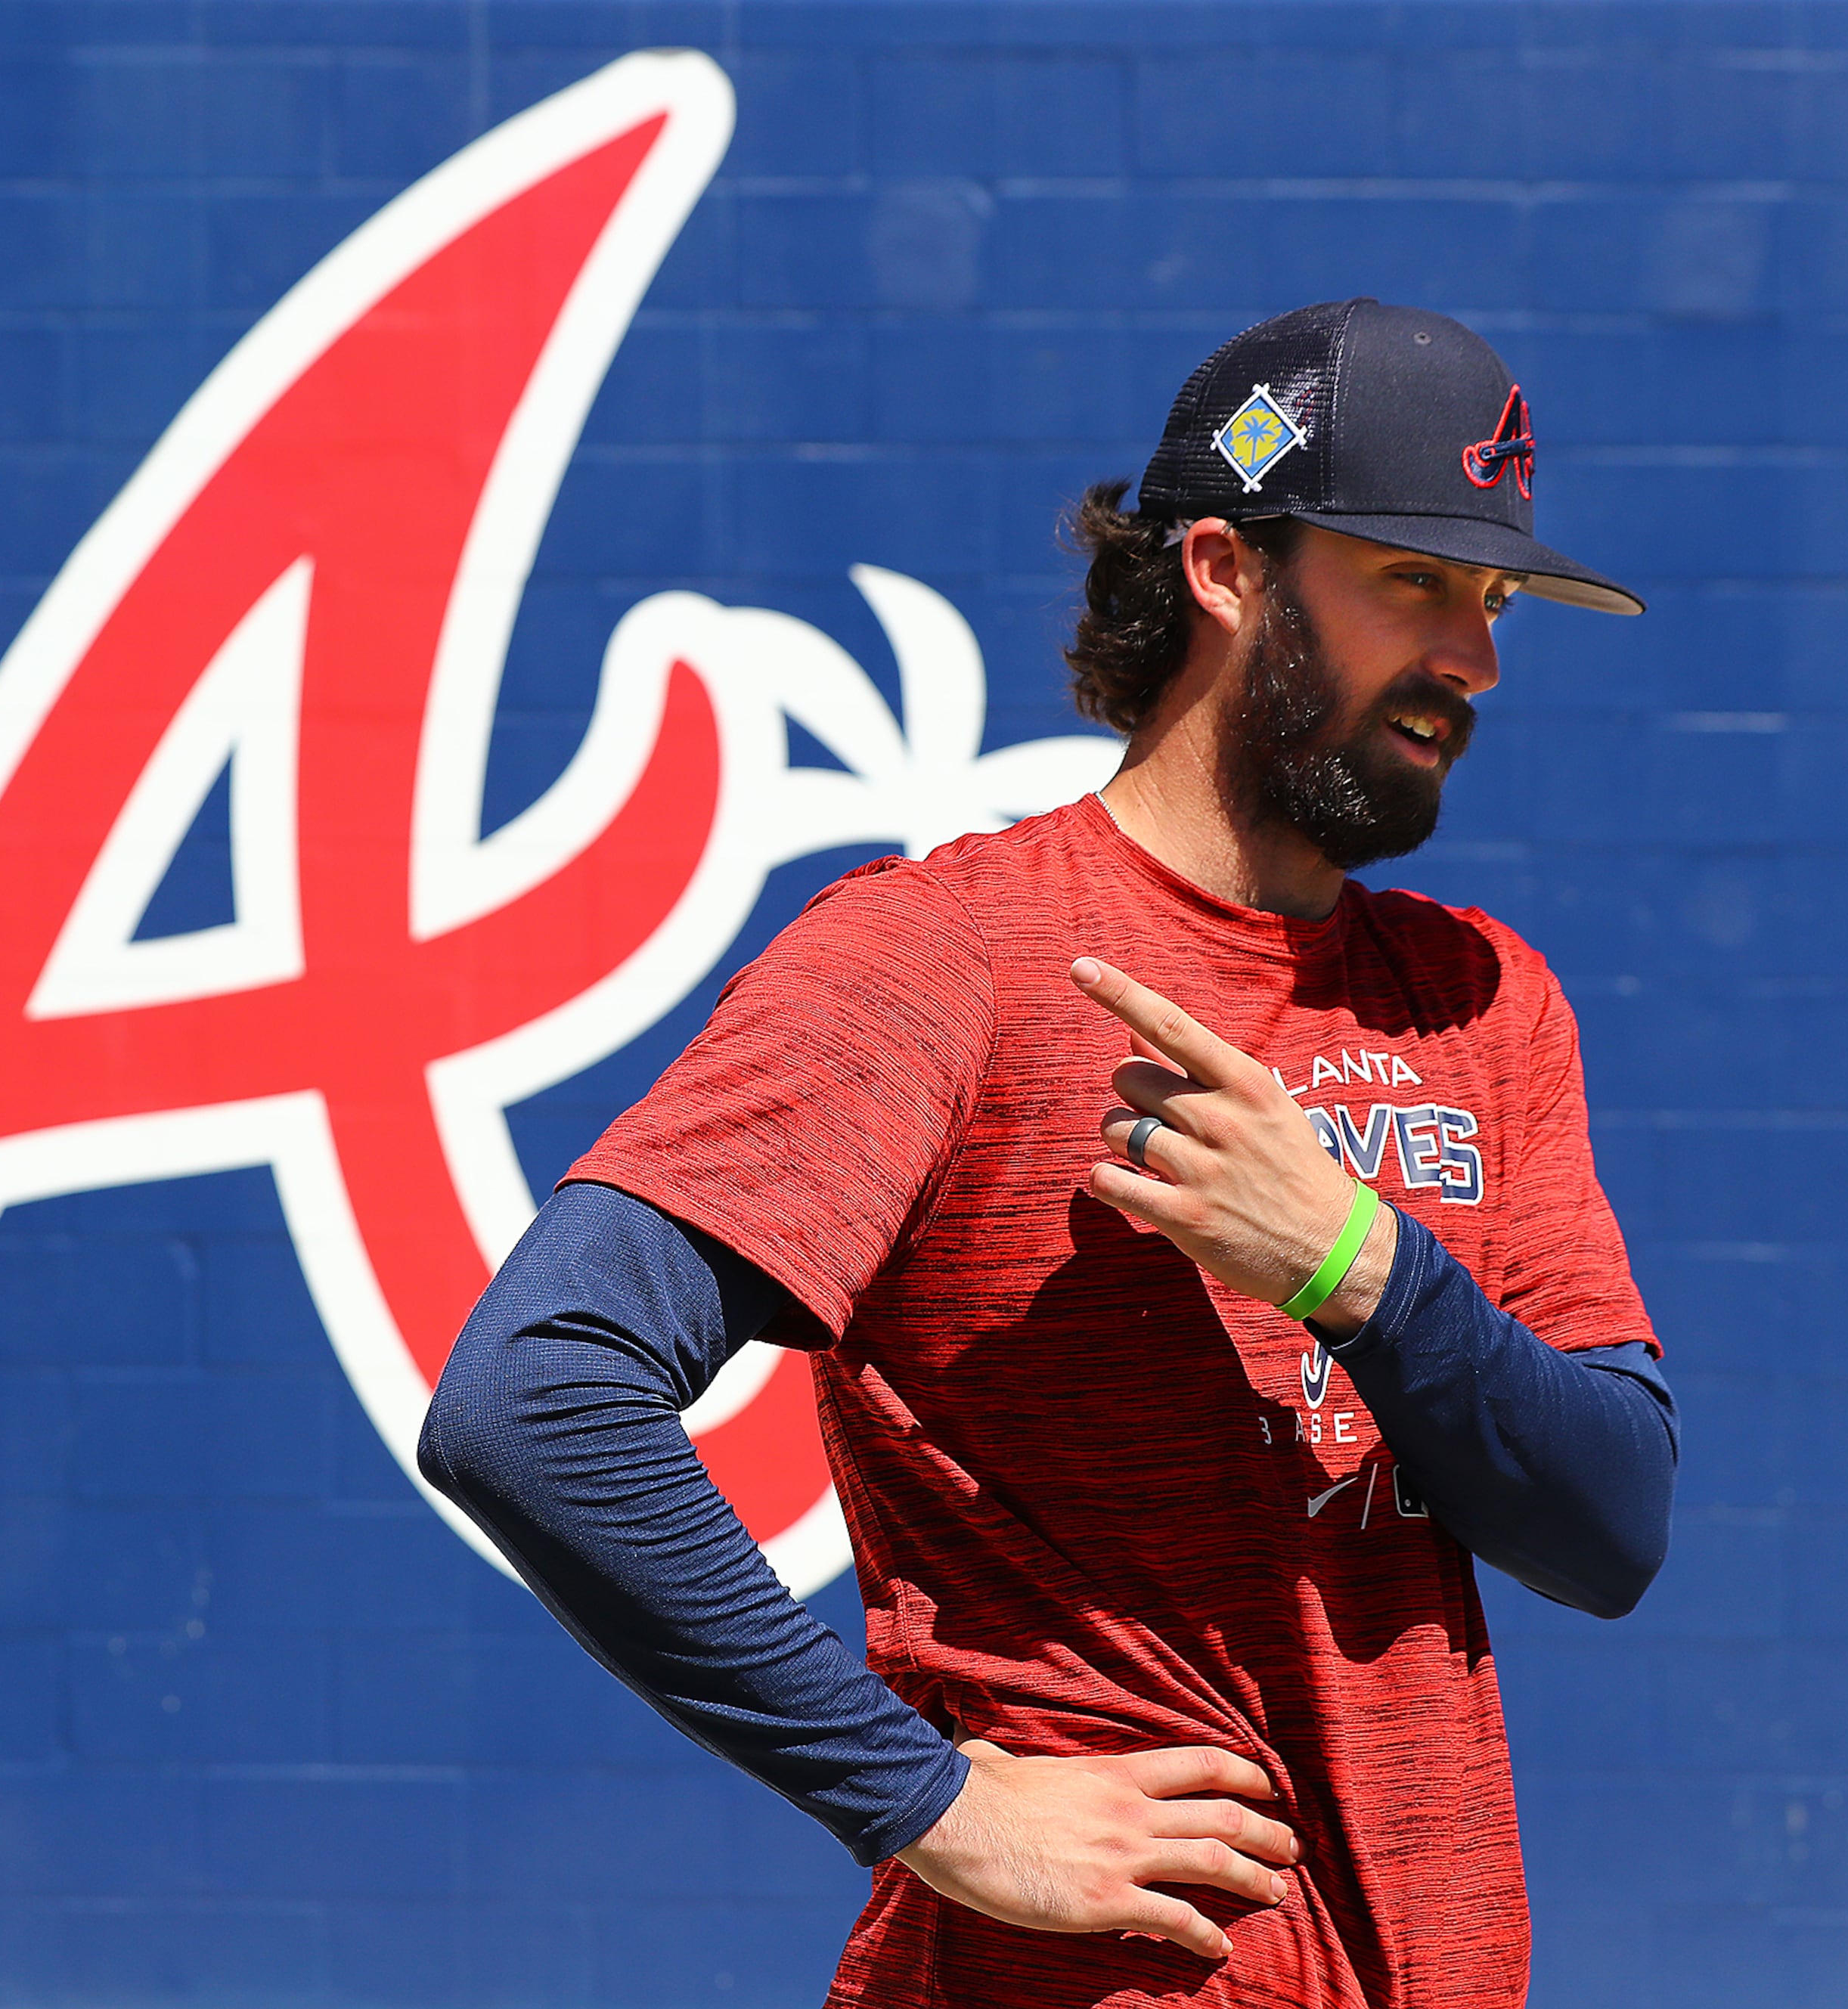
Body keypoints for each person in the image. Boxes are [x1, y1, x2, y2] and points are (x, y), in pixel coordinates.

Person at [417, 299, 1679, 2008]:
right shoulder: (947, 957)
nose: (1477, 658)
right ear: (1230, 571)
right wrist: (919, 1798)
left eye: (1497, 600)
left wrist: (1353, 1265)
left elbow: (1608, 1527)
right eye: (1415, 583)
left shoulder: (1480, 1001)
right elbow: (535, 1397)